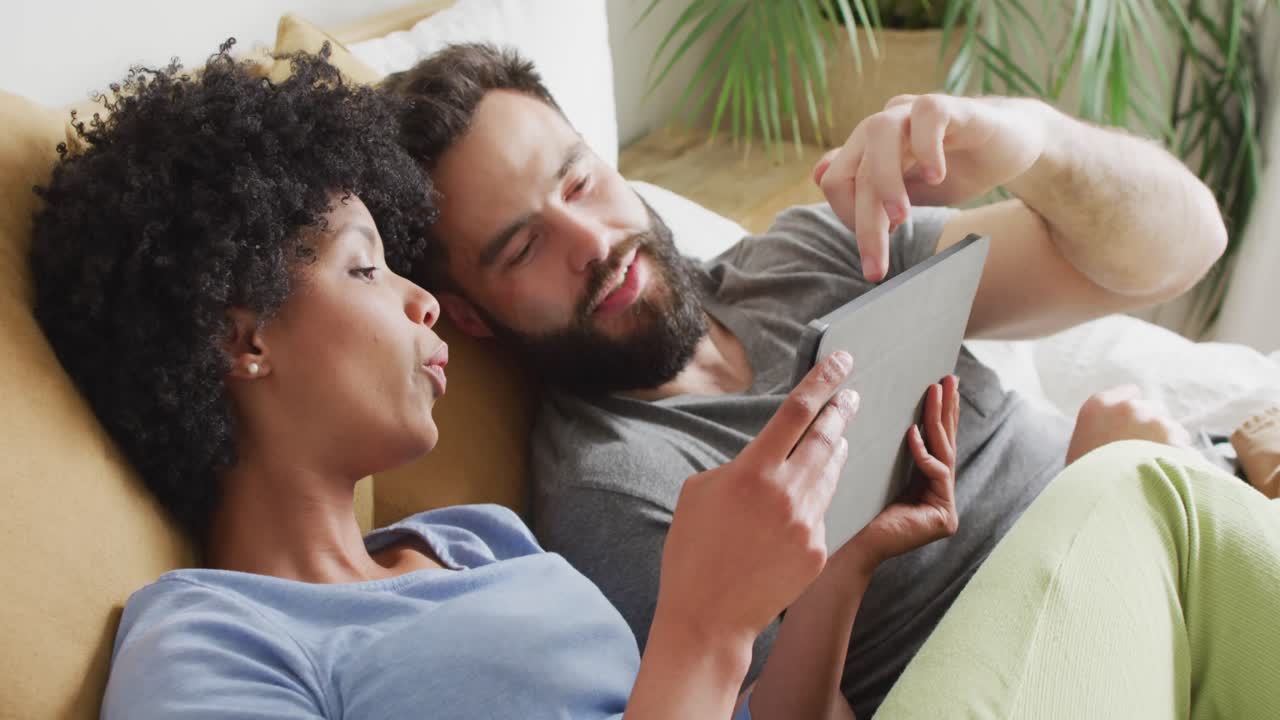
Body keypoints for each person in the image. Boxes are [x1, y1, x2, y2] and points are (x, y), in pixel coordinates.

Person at [32, 44, 967, 719]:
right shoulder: (211, 642)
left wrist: (844, 562)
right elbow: (694, 672)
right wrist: (703, 630)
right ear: (243, 337)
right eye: (364, 268)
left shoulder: (479, 540)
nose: (426, 305)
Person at [383, 43, 1230, 716]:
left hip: (1183, 539)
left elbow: (1181, 250)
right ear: (472, 317)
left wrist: (1033, 141)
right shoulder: (617, 488)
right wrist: (1113, 497)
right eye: (524, 247)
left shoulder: (808, 249)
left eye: (579, 180)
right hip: (1085, 645)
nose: (592, 241)